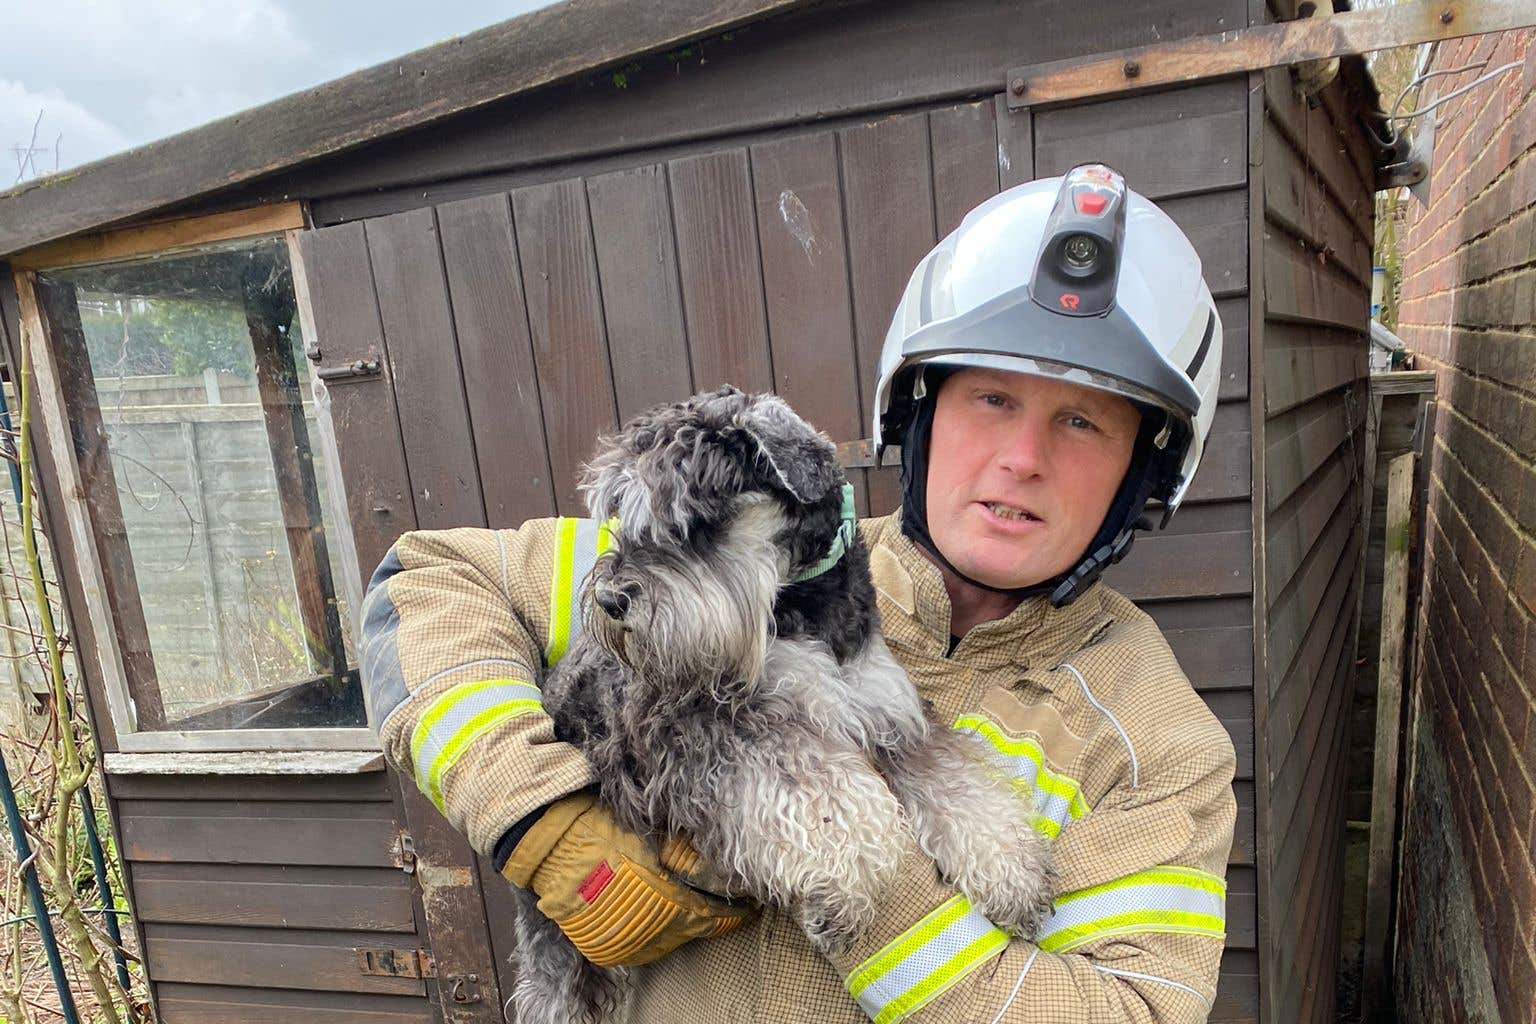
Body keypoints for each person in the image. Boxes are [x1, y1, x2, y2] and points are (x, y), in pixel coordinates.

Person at [359, 163, 1236, 1023]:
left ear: (1142, 474)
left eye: (1082, 421)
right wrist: (535, 816)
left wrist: (870, 880)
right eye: (993, 398)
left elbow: (1135, 1010)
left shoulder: (1154, 741)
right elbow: (425, 580)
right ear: (921, 413)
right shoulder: (695, 566)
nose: (1023, 458)